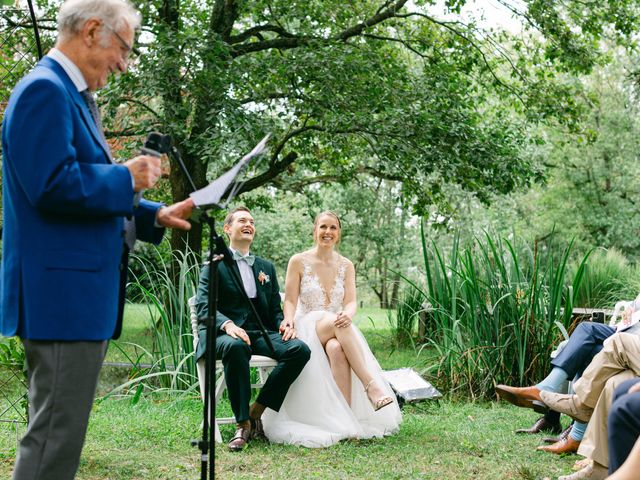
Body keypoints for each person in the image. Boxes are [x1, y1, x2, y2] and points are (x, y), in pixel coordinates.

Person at [0, 1, 194, 479]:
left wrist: (152, 214)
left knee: (60, 438)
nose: (125, 63)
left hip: (74, 297)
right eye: (124, 47)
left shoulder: (72, 94)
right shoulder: (45, 90)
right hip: (61, 298)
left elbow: (80, 191)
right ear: (91, 31)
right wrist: (125, 177)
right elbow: (49, 185)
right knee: (52, 441)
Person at [262, 211, 402, 447]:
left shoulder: (346, 265)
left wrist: (348, 314)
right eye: (323, 227)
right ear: (315, 230)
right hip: (309, 324)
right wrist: (288, 320)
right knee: (338, 325)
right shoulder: (298, 261)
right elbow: (290, 300)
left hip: (336, 325)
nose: (328, 232)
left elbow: (351, 301)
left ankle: (346, 423)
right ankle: (371, 385)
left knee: (337, 348)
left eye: (333, 228)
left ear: (339, 233)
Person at [195, 206, 311, 452]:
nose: (249, 224)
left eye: (251, 221)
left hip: (259, 333)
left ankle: (256, 410)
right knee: (236, 347)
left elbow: (274, 309)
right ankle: (242, 424)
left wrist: (284, 322)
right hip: (222, 335)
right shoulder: (214, 266)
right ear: (227, 229)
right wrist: (228, 325)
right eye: (242, 220)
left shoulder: (265, 268)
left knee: (299, 350)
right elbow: (204, 306)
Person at [496, 320, 640, 455]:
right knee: (574, 339)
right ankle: (552, 416)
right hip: (628, 332)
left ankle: (576, 429)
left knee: (588, 345)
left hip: (631, 338)